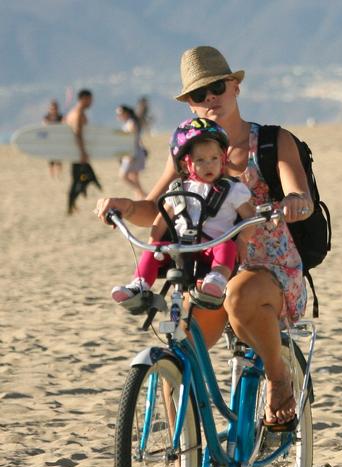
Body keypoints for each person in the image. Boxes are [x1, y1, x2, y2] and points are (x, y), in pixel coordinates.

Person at [96, 46, 313, 427]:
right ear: (190, 105)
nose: (210, 98)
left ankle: (279, 379)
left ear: (235, 87)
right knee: (178, 353)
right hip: (207, 273)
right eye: (199, 94)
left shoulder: (272, 141)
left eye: (216, 87)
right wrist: (126, 205)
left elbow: (302, 197)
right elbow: (156, 209)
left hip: (269, 269)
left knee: (239, 294)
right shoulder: (187, 154)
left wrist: (294, 202)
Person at [111, 117, 256, 306]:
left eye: (214, 159)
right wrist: (152, 244)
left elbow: (250, 217)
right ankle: (139, 285)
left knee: (227, 247)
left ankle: (216, 280)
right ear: (186, 164)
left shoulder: (232, 190)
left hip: (213, 246)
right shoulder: (178, 190)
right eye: (200, 160)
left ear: (223, 159)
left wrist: (243, 240)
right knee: (154, 251)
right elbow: (161, 220)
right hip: (181, 249)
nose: (209, 165)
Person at [65, 89, 101, 214]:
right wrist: (82, 152)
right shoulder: (78, 114)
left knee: (78, 179)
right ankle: (70, 205)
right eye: (90, 99)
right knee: (85, 178)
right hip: (78, 153)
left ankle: (71, 205)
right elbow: (77, 134)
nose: (91, 102)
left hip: (74, 153)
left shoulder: (71, 113)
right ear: (84, 98)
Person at [115, 104, 147, 199]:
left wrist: (129, 155)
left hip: (132, 153)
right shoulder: (130, 122)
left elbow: (132, 140)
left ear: (126, 113)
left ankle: (144, 194)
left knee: (123, 176)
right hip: (134, 152)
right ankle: (140, 197)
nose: (119, 116)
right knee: (134, 177)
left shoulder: (131, 123)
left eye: (120, 113)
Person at [43, 99, 63, 178]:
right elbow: (44, 126)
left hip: (58, 141)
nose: (53, 109)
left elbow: (64, 125)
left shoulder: (60, 117)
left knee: (59, 159)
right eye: (52, 108)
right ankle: (51, 175)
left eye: (54, 108)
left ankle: (59, 175)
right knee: (51, 160)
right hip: (50, 141)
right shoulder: (47, 117)